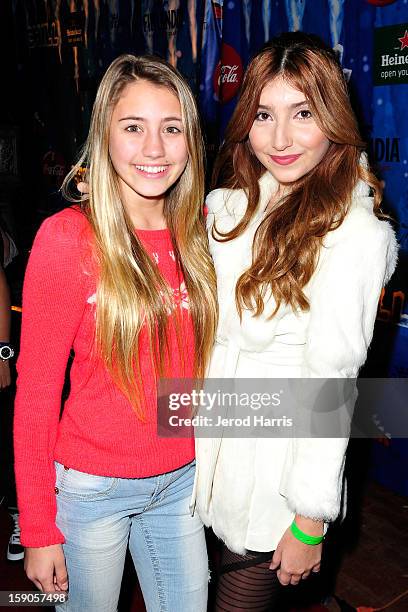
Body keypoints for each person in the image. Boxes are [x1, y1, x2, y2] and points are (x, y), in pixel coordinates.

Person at [192, 32, 398, 611]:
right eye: (263, 114)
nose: (280, 139)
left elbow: (331, 383)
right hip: (216, 448)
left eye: (302, 113)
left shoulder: (354, 236)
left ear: (332, 116)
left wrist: (310, 519)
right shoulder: (231, 211)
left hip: (280, 469)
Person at [14, 54, 217, 612]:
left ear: (189, 141)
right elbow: (34, 396)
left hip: (181, 482)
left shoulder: (201, 234)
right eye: (134, 128)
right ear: (104, 136)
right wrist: (37, 527)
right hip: (90, 491)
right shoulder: (67, 239)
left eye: (171, 128)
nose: (154, 149)